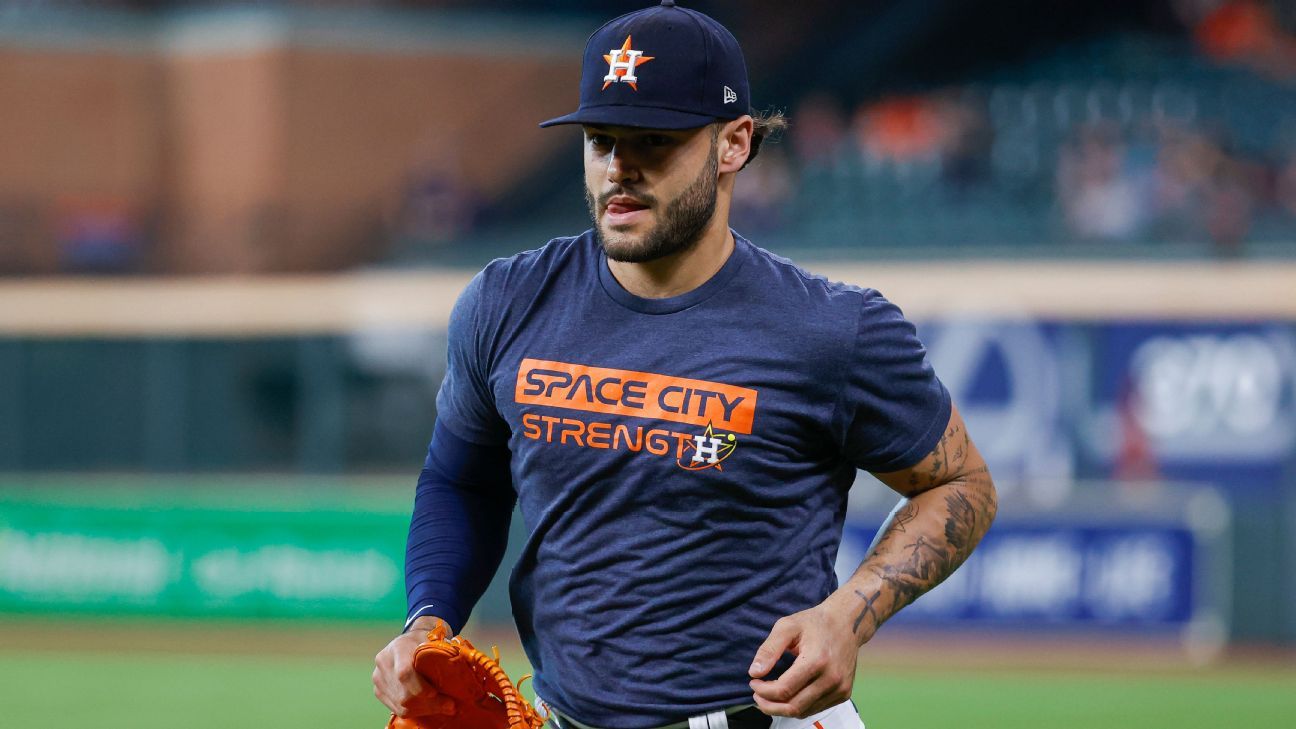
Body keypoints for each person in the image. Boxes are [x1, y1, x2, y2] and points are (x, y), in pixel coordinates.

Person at [372, 3, 997, 728]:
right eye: (601, 139)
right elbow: (461, 477)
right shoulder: (506, 301)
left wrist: (850, 615)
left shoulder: (831, 328)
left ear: (733, 143)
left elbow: (962, 482)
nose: (618, 168)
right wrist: (428, 618)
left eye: (653, 141)